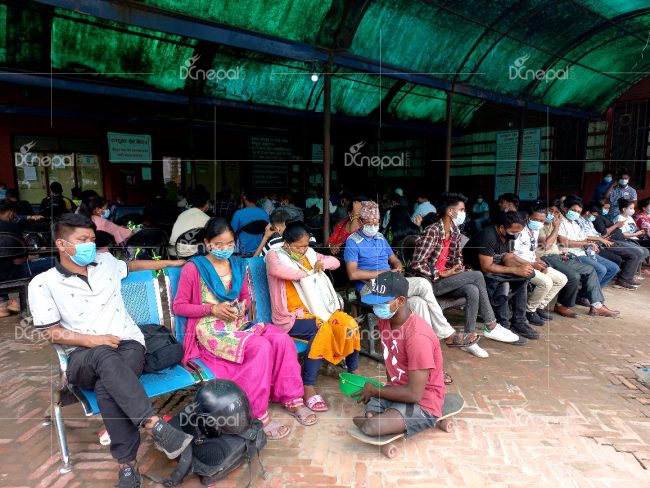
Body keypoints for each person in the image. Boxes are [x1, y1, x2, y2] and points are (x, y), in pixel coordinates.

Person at [28, 214, 192, 488]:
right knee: (104, 357)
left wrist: (172, 263)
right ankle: (152, 424)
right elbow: (53, 333)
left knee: (107, 385)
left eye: (92, 239)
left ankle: (127, 466)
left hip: (128, 345)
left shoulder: (106, 262)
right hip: (82, 356)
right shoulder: (43, 283)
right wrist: (93, 341)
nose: (90, 245)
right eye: (82, 240)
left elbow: (132, 265)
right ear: (61, 244)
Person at [173, 218, 315, 440]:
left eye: (229, 244)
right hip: (211, 328)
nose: (225, 249)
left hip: (237, 323)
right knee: (259, 347)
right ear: (207, 243)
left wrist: (240, 307)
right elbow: (179, 306)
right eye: (219, 244)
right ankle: (257, 414)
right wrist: (212, 309)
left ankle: (292, 398)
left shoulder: (236, 265)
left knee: (281, 339)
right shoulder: (194, 268)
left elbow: (245, 299)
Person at [344, 201, 478, 349]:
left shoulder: (380, 237)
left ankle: (427, 346)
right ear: (360, 222)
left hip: (391, 282)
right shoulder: (353, 242)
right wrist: (384, 273)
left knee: (420, 303)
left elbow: (394, 259)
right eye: (369, 223)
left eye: (376, 223)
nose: (373, 226)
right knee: (423, 284)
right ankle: (447, 335)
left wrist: (398, 266)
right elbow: (352, 274)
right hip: (371, 288)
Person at [410, 192, 520, 356]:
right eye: (461, 210)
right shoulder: (432, 231)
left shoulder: (454, 231)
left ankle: (469, 339)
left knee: (472, 289)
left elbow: (456, 259)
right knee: (477, 276)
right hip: (430, 283)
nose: (464, 213)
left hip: (446, 281)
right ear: (450, 212)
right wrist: (442, 273)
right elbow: (417, 264)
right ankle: (491, 325)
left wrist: (459, 269)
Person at [266, 221, 361, 412]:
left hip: (318, 310)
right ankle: (308, 386)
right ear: (286, 244)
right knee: (321, 329)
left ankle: (354, 371)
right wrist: (306, 274)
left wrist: (322, 263)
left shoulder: (309, 253)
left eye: (305, 245)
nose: (303, 250)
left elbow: (335, 262)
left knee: (349, 324)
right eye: (298, 247)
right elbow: (278, 271)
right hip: (291, 317)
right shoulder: (274, 256)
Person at [352, 271, 445, 439]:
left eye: (382, 302)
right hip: (398, 389)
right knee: (371, 408)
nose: (376, 307)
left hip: (423, 400)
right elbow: (391, 358)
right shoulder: (385, 320)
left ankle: (379, 420)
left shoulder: (418, 337)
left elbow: (415, 394)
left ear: (401, 301)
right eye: (375, 302)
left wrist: (375, 390)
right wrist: (383, 390)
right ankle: (382, 416)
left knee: (372, 425)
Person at [463, 211, 538, 341]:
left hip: (494, 267)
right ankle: (504, 325)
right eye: (513, 232)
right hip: (476, 271)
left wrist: (523, 267)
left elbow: (508, 257)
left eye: (518, 232)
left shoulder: (510, 236)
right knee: (502, 283)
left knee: (525, 277)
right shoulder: (488, 236)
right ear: (502, 228)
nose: (516, 235)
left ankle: (519, 322)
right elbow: (486, 266)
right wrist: (514, 270)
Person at [540, 200, 619, 317]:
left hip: (561, 254)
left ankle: (596, 305)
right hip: (546, 257)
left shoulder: (557, 224)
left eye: (556, 212)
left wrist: (561, 250)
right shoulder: (544, 225)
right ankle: (562, 305)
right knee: (575, 276)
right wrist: (557, 228)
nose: (553, 214)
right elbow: (548, 245)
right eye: (550, 211)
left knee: (590, 270)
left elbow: (558, 244)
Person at [512, 203, 568, 326]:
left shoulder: (535, 230)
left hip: (533, 263)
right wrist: (533, 264)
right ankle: (529, 311)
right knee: (546, 282)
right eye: (535, 219)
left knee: (562, 279)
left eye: (541, 220)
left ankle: (539, 307)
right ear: (528, 217)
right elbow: (511, 255)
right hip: (520, 266)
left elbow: (533, 250)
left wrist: (539, 261)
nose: (538, 222)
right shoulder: (519, 230)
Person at [0, 201, 55, 317]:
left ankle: (2, 303)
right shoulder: (11, 227)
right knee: (53, 261)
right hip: (12, 273)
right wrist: (30, 257)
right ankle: (21, 300)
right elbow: (18, 261)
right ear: (10, 213)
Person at [558, 198, 620, 292]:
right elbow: (564, 242)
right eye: (573, 210)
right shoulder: (561, 222)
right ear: (566, 209)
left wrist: (589, 244)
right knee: (601, 270)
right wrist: (586, 243)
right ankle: (586, 295)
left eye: (578, 212)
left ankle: (591, 293)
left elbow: (583, 238)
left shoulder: (575, 224)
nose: (576, 213)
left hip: (584, 252)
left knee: (614, 268)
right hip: (572, 254)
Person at [580, 203, 643, 290]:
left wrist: (603, 237)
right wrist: (601, 239)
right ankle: (623, 280)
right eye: (594, 215)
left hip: (604, 241)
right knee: (631, 255)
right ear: (587, 212)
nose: (595, 217)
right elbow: (584, 237)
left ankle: (627, 279)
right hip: (595, 246)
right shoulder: (579, 221)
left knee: (637, 253)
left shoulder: (589, 221)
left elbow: (597, 234)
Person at [168, 192, 211, 258]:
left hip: (173, 251)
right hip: (191, 253)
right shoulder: (207, 218)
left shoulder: (182, 214)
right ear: (206, 203)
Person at [231, 190, 269, 256]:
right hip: (259, 252)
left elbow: (231, 233)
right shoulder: (264, 214)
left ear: (245, 199)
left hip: (242, 252)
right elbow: (268, 231)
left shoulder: (239, 214)